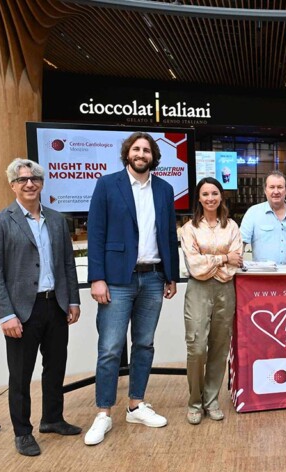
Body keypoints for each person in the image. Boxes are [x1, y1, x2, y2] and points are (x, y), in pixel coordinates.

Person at [84, 132, 179, 446]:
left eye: (146, 150)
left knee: (144, 344)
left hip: (153, 278)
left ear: (153, 156)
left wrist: (171, 276)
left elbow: (169, 235)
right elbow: (96, 233)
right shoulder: (107, 184)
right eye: (136, 149)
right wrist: (97, 278)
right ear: (127, 153)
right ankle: (103, 413)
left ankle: (136, 405)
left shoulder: (164, 189)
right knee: (110, 348)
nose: (141, 154)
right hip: (116, 280)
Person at [0, 158, 81, 456]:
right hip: (21, 312)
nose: (29, 184)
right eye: (22, 179)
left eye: (35, 179)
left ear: (42, 183)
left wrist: (72, 299)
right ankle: (23, 432)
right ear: (12, 185)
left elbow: (68, 264)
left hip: (55, 306)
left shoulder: (57, 220)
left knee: (55, 367)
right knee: (21, 375)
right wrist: (5, 314)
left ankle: (52, 419)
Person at [180, 177, 242, 424]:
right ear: (198, 198)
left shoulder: (232, 226)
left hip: (226, 289)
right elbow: (195, 266)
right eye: (205, 194)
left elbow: (237, 262)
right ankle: (194, 402)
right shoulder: (189, 229)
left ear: (221, 196)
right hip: (198, 290)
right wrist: (223, 258)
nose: (210, 198)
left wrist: (212, 260)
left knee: (219, 346)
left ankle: (211, 400)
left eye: (214, 193)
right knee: (196, 347)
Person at [240, 170, 286, 266]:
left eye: (280, 187)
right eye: (272, 187)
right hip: (263, 273)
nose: (276, 191)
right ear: (265, 190)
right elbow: (241, 242)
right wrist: (237, 262)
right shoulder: (253, 212)